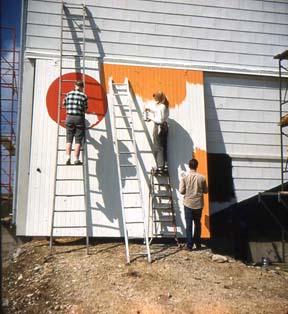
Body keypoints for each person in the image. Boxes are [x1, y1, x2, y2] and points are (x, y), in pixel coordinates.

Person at [179, 158, 208, 251]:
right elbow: (206, 191)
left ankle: (189, 245)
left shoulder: (185, 177)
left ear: (189, 166)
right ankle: (198, 243)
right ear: (197, 166)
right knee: (197, 224)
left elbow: (181, 191)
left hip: (188, 203)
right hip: (198, 204)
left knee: (189, 224)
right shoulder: (202, 177)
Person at [63, 80, 88, 165]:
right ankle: (76, 159)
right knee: (78, 140)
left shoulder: (68, 94)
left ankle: (67, 157)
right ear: (82, 87)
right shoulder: (83, 96)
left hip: (69, 117)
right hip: (79, 118)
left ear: (75, 85)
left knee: (69, 139)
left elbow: (64, 104)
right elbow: (85, 108)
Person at [144, 91, 169, 174]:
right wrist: (150, 110)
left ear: (159, 97)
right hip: (161, 126)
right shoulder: (161, 105)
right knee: (161, 147)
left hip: (159, 126)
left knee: (158, 147)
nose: (154, 98)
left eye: (156, 97)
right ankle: (163, 165)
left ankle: (160, 167)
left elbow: (160, 120)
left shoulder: (162, 106)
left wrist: (151, 118)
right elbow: (157, 111)